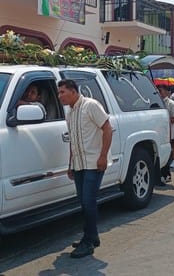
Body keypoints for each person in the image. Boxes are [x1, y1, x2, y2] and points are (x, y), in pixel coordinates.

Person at [57, 79, 112, 259]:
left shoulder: (91, 105)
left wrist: (103, 156)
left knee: (88, 201)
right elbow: (73, 140)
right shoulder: (70, 113)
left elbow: (107, 129)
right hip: (79, 164)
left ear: (73, 91)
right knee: (83, 201)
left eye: (62, 92)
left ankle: (88, 242)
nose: (60, 96)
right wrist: (70, 164)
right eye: (59, 93)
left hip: (94, 163)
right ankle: (91, 235)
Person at [157, 84, 174, 185]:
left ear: (167, 92)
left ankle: (166, 174)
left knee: (166, 154)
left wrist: (164, 119)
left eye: (160, 91)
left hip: (168, 132)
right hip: (158, 132)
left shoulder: (171, 103)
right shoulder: (156, 102)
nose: (159, 93)